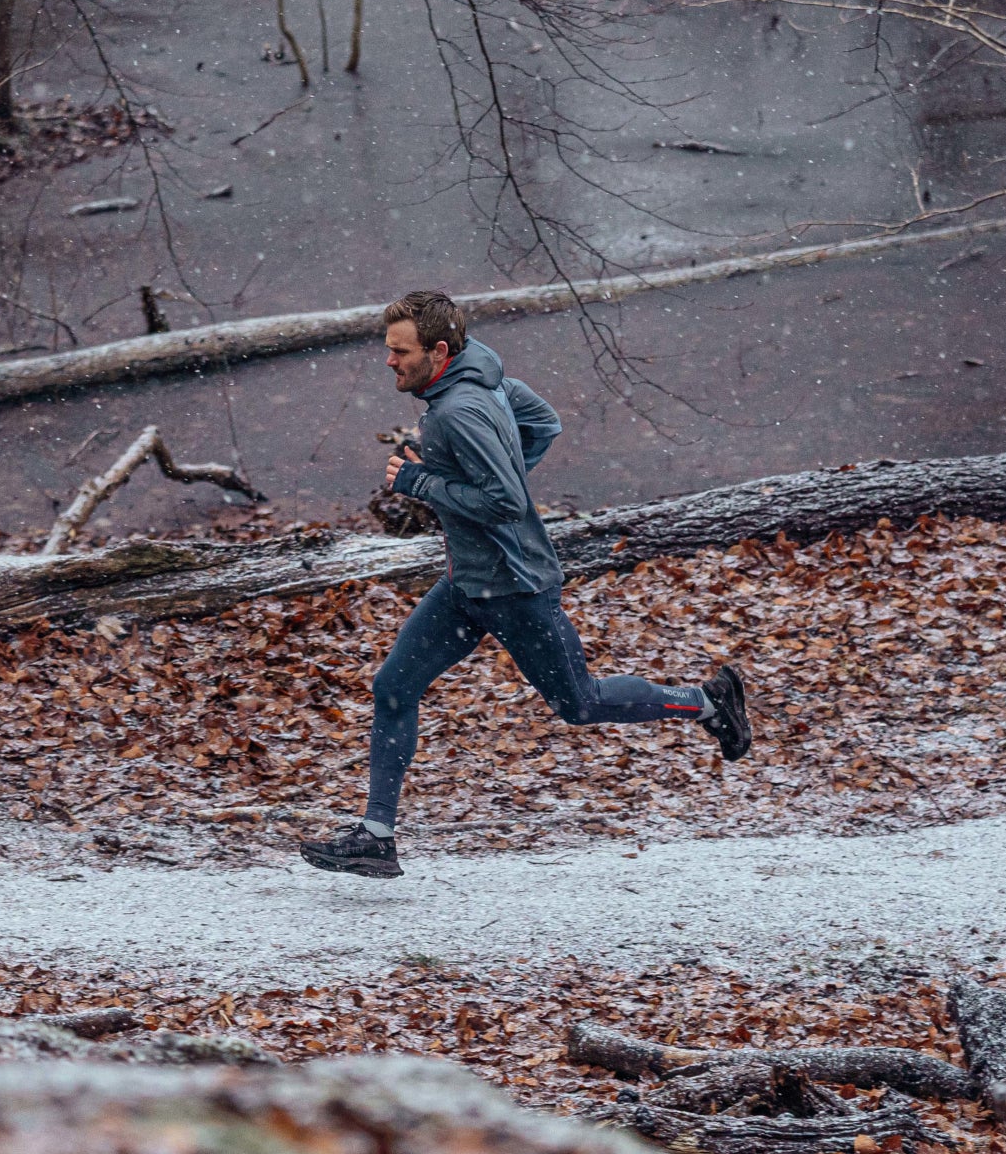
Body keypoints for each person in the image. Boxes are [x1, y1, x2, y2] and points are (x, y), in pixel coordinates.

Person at [299, 290, 752, 880]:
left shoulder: (459, 409)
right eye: (388, 350)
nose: (389, 361)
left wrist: (421, 483)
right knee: (393, 686)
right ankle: (376, 837)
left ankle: (708, 701)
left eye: (399, 352)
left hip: (514, 589)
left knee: (581, 704)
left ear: (438, 351)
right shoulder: (486, 385)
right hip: (468, 584)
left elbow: (506, 503)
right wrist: (477, 469)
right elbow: (544, 424)